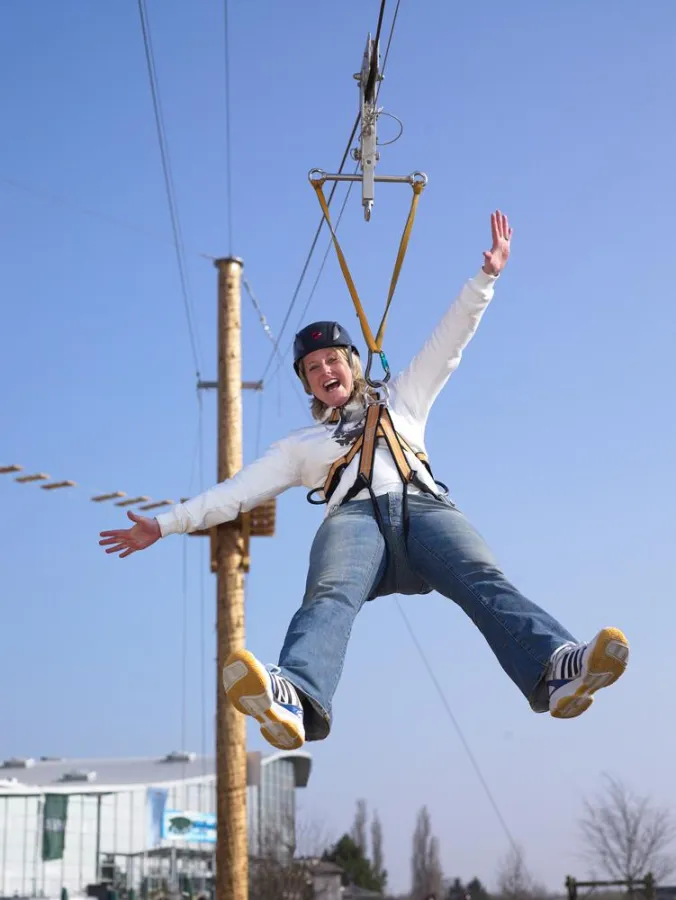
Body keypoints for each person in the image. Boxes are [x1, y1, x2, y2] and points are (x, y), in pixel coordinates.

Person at [99, 210, 629, 751]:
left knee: (483, 577)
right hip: (353, 521)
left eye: (333, 360)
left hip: (424, 510)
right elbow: (234, 493)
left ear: (352, 363)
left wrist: (485, 278)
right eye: (312, 367)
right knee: (329, 594)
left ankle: (555, 666)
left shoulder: (404, 397)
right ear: (307, 383)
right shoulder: (299, 447)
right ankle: (296, 695)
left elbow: (449, 341)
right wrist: (164, 525)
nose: (325, 371)